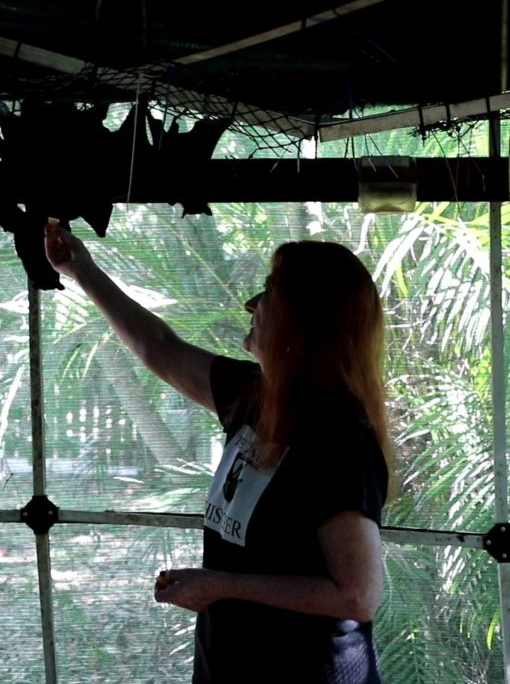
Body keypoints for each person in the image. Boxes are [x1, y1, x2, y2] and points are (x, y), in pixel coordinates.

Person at [45, 222, 392, 683]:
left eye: (268, 293)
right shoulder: (254, 397)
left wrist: (221, 585)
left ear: (302, 320)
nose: (252, 305)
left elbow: (356, 595)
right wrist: (81, 269)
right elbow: (160, 347)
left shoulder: (339, 437)